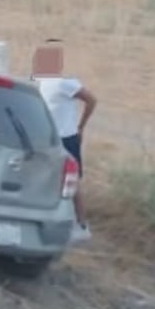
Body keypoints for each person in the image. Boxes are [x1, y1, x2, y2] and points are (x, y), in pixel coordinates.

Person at [33, 39, 98, 231]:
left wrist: (81, 127)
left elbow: (91, 100)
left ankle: (81, 222)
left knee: (73, 182)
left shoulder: (64, 83)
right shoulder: (41, 83)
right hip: (49, 138)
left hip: (66, 138)